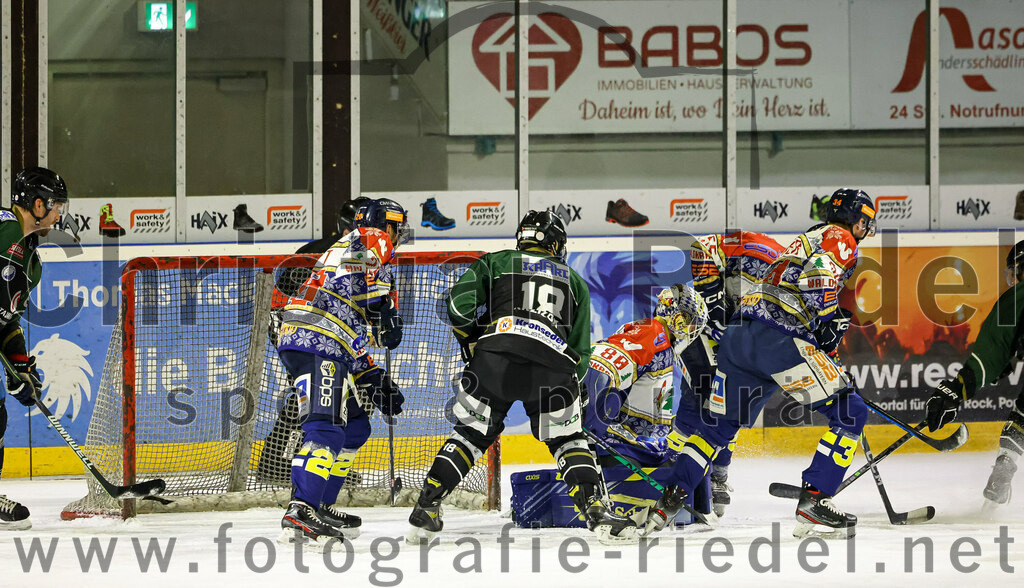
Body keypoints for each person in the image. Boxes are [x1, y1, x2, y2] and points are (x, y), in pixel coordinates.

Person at [643, 189, 876, 540]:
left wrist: (821, 333)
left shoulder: (808, 236)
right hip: (778, 339)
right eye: (865, 222)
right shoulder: (840, 237)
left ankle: (667, 502)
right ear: (858, 220)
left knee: (714, 430)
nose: (864, 229)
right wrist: (828, 321)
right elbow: (817, 281)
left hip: (739, 339)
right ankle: (814, 502)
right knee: (851, 411)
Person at [407, 210, 638, 543]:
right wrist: (573, 386)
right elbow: (581, 354)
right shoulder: (573, 280)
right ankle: (597, 514)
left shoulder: (496, 261)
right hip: (552, 367)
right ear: (556, 244)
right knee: (567, 441)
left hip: (493, 358)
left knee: (470, 435)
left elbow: (457, 306)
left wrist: (472, 340)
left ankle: (426, 505)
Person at [275, 197, 408, 545]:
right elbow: (362, 295)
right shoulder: (373, 237)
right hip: (318, 341)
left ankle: (318, 503)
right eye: (396, 228)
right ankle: (302, 506)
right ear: (389, 224)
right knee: (327, 428)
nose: (395, 237)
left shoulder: (351, 251)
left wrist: (371, 374)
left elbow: (349, 320)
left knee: (355, 428)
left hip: (320, 342)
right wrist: (384, 308)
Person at [257, 196, 374, 485]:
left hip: (311, 329)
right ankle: (282, 461)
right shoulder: (328, 251)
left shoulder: (357, 252)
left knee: (329, 392)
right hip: (294, 325)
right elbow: (286, 287)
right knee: (317, 391)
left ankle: (304, 461)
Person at [680, 231, 785, 516]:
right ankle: (681, 466)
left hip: (736, 319)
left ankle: (717, 473)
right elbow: (702, 248)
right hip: (707, 321)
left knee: (732, 400)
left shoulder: (784, 282)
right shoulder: (772, 264)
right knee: (702, 396)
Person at [925, 239, 1024, 508]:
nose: (1013, 280)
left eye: (1014, 272)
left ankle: (1005, 464)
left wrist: (956, 391)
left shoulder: (1017, 298)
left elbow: (987, 359)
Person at [0, 167, 69, 530]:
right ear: (37, 204)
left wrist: (21, 366)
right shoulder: (3, 226)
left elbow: (7, 322)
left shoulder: (33, 263)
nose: (59, 214)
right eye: (56, 205)